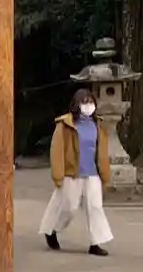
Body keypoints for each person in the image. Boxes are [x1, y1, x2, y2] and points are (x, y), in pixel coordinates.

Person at [41, 89, 113, 255]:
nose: (88, 105)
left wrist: (105, 174)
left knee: (95, 207)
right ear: (76, 104)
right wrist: (58, 175)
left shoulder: (98, 124)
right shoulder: (65, 124)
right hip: (72, 173)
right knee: (69, 207)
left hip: (93, 173)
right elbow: (57, 150)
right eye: (84, 102)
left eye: (91, 102)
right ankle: (52, 230)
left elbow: (102, 151)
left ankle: (95, 243)